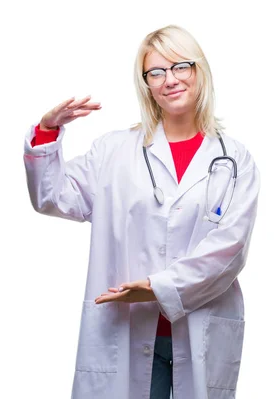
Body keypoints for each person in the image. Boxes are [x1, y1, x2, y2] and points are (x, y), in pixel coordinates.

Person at [24, 25, 259, 399]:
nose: (170, 80)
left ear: (200, 71)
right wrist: (48, 132)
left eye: (181, 66)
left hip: (199, 328)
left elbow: (230, 247)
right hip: (125, 330)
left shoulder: (234, 159)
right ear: (146, 84)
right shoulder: (113, 151)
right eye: (156, 72)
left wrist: (156, 288)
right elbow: (53, 197)